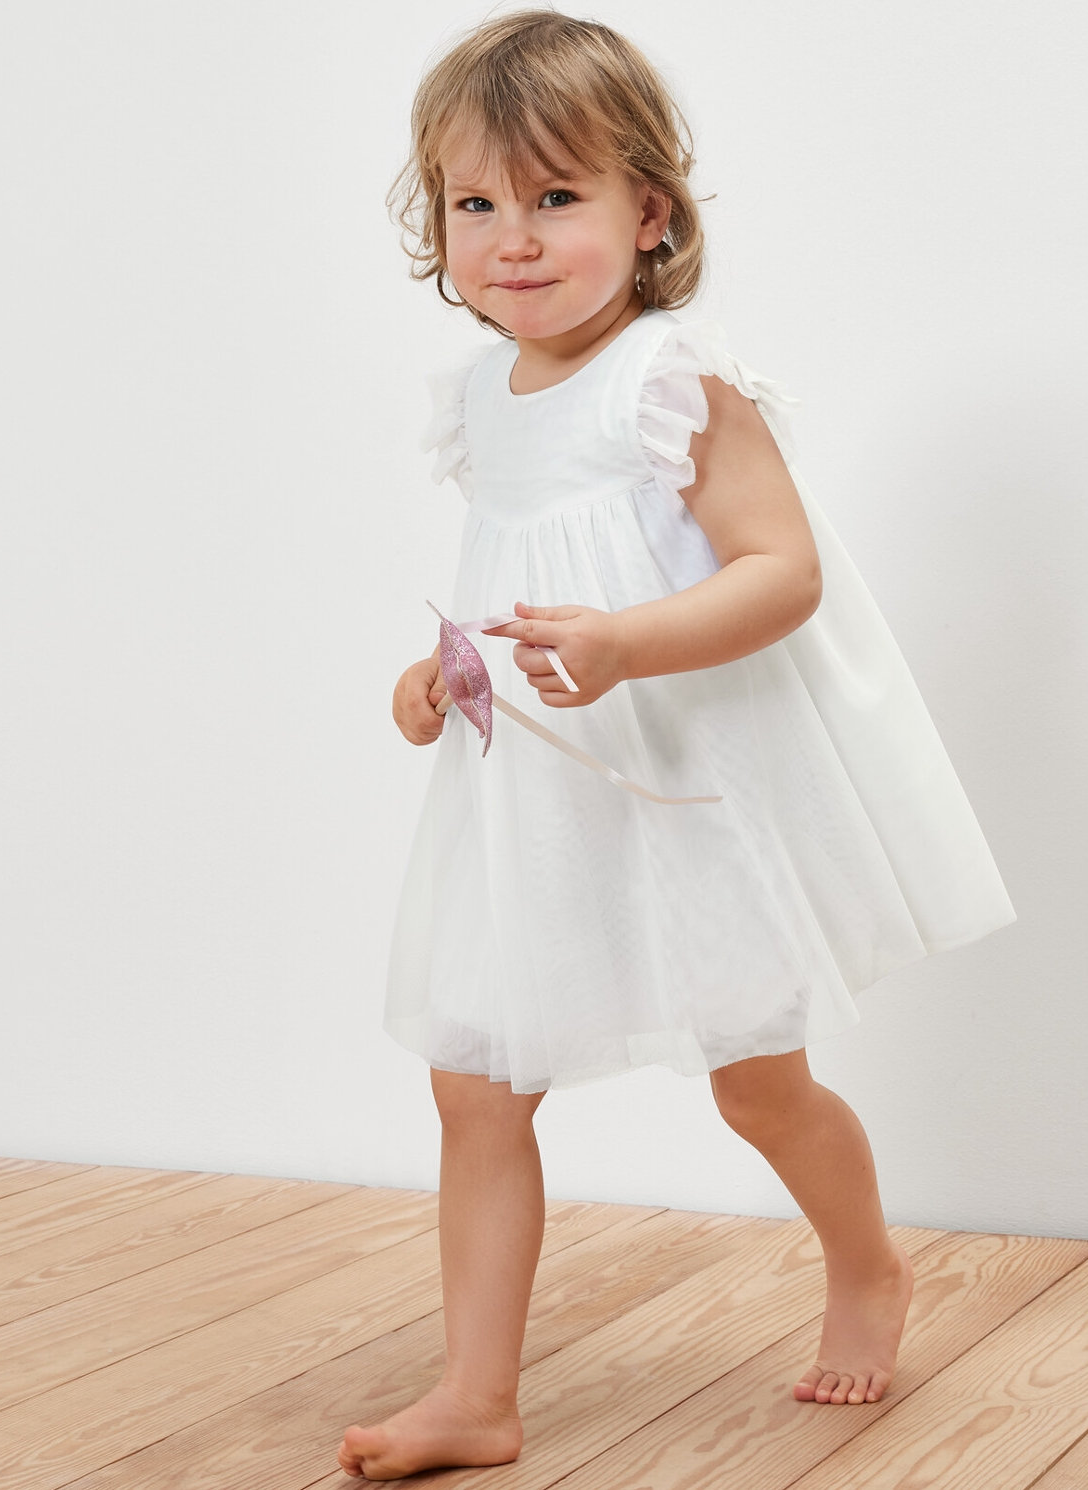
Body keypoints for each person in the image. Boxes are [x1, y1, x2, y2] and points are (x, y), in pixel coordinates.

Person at [347, 8, 1016, 1480]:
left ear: (649, 210)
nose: (511, 239)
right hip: (535, 799)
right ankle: (475, 1390)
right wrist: (440, 674)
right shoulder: (481, 402)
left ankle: (864, 1265)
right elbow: (507, 580)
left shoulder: (671, 380)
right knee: (473, 1079)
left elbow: (780, 571)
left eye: (555, 197)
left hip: (684, 791)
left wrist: (623, 643)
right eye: (475, 204)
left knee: (755, 1082)